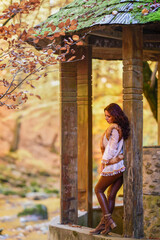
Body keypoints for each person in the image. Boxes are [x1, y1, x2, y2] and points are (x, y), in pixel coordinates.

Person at [90, 103, 130, 235]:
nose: (106, 118)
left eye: (109, 116)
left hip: (114, 166)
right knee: (111, 195)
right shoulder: (121, 127)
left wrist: (103, 162)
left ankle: (108, 220)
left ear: (115, 115)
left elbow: (111, 149)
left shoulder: (114, 129)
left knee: (98, 189)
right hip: (121, 165)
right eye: (105, 116)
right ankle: (104, 226)